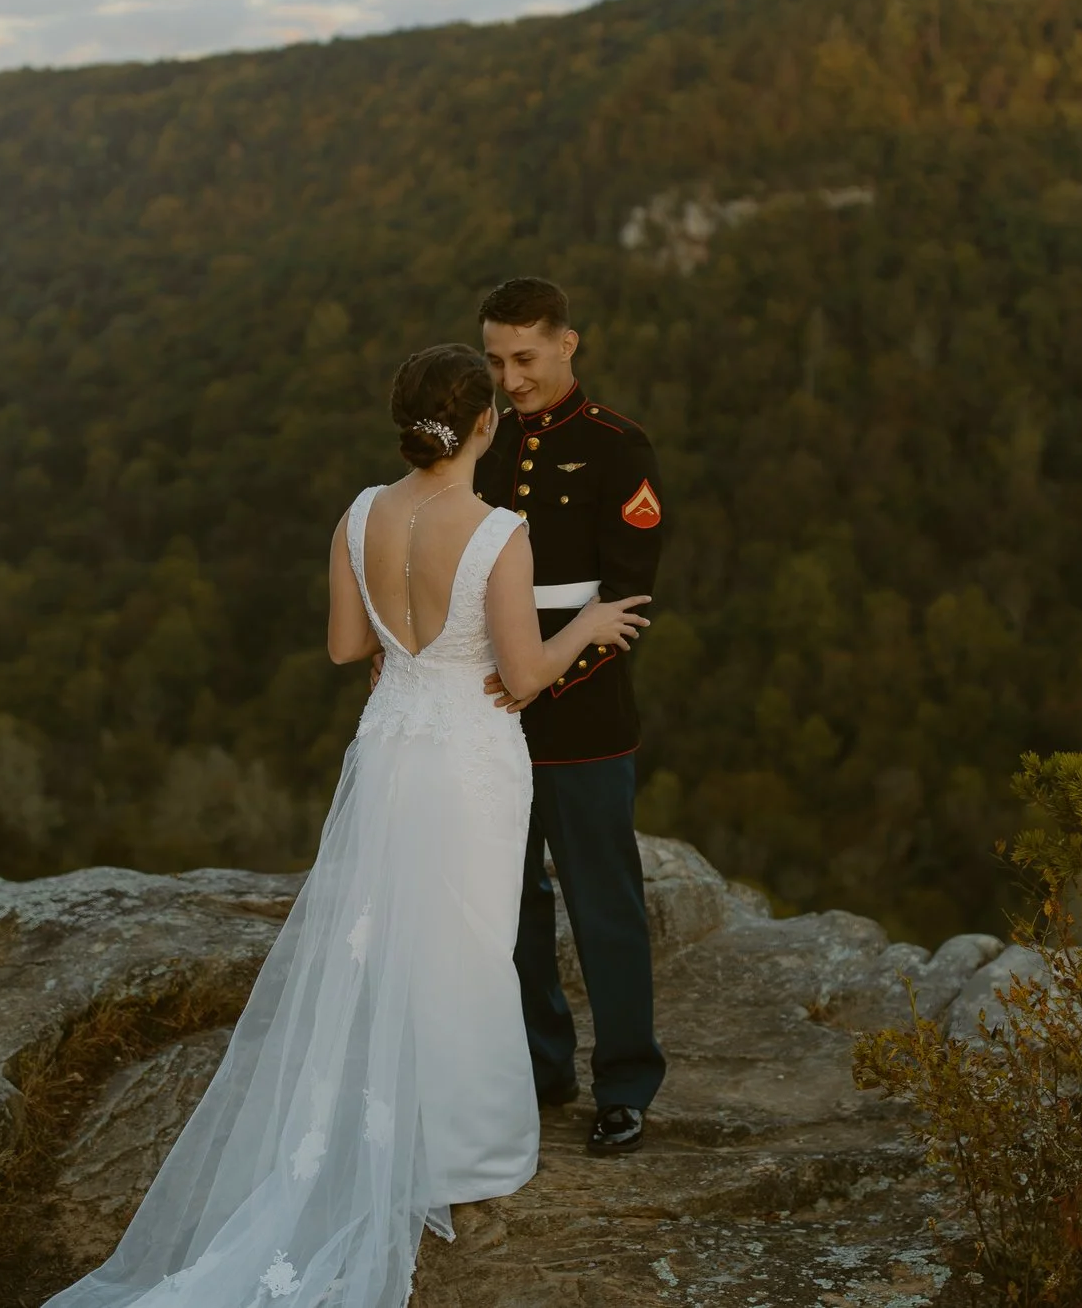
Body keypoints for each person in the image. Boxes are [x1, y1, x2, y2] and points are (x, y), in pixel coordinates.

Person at [44, 342, 650, 1308]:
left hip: (391, 745)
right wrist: (590, 624)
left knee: (391, 938)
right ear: (483, 424)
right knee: (469, 942)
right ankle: (465, 1148)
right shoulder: (500, 530)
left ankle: (390, 1130)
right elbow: (526, 676)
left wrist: (403, 645)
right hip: (468, 755)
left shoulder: (361, 512)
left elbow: (344, 645)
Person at [471, 278, 667, 1158]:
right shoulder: (485, 444)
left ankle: (625, 1083)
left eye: (525, 358)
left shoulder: (619, 446)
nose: (510, 379)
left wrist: (535, 681)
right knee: (510, 906)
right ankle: (540, 1066)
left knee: (604, 907)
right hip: (488, 716)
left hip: (583, 719)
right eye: (495, 361)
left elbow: (627, 601)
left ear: (567, 344)